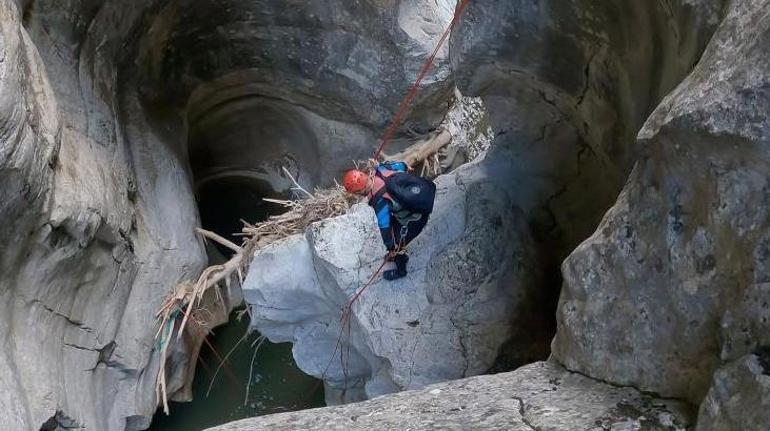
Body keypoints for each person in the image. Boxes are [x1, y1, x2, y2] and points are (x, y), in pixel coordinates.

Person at [343, 161, 433, 281]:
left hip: (415, 218)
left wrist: (390, 247)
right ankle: (397, 253)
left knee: (396, 244)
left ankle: (401, 269)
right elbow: (403, 165)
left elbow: (384, 225)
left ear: (358, 192)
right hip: (417, 195)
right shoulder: (381, 169)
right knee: (395, 227)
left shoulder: (379, 199)